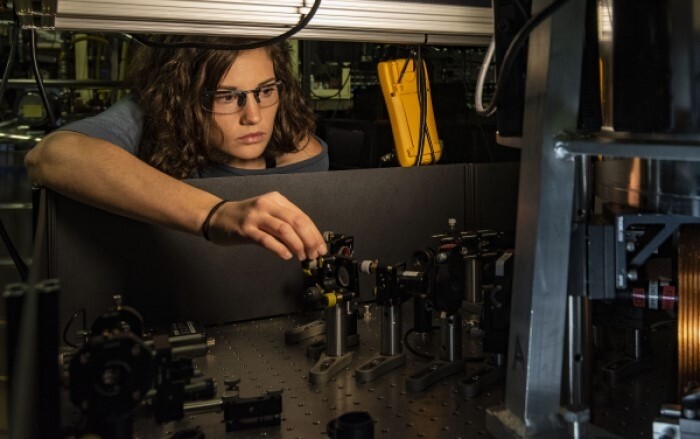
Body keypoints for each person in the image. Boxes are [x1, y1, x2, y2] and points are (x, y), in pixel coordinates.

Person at [25, 35, 328, 261]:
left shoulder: (304, 155)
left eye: (265, 90)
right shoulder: (150, 117)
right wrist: (216, 215)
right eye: (225, 96)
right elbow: (50, 155)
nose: (253, 116)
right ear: (181, 97)